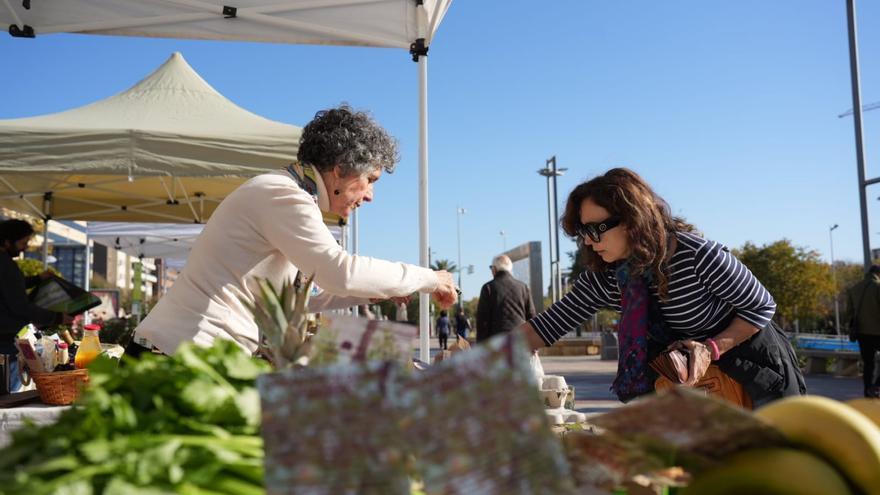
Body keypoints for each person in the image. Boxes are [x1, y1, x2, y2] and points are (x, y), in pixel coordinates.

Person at [133, 105, 457, 356]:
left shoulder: (287, 195)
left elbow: (306, 293)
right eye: (370, 180)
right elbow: (339, 272)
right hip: (180, 352)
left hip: (183, 350)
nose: (370, 195)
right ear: (340, 169)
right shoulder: (283, 194)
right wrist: (430, 278)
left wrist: (376, 290)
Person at [518, 168, 805, 407]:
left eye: (594, 230)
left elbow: (761, 305)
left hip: (752, 379)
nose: (588, 242)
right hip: (694, 394)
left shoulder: (696, 256)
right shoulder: (607, 276)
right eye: (582, 233)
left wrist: (710, 348)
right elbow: (543, 328)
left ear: (631, 220)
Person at [0, 219, 73, 392]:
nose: (25, 248)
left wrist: (36, 279)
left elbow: (8, 288)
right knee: (6, 399)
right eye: (22, 243)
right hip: (5, 342)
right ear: (6, 241)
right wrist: (57, 317)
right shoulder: (6, 265)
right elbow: (20, 306)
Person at [476, 254, 536, 343]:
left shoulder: (488, 287)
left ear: (494, 269)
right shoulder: (523, 287)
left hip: (496, 341)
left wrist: (481, 344)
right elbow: (531, 315)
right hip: (519, 340)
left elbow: (483, 320)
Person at [846, 265, 880, 398]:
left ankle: (868, 392)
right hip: (878, 331)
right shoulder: (878, 286)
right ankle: (877, 385)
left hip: (862, 333)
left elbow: (849, 313)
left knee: (868, 364)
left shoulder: (855, 288)